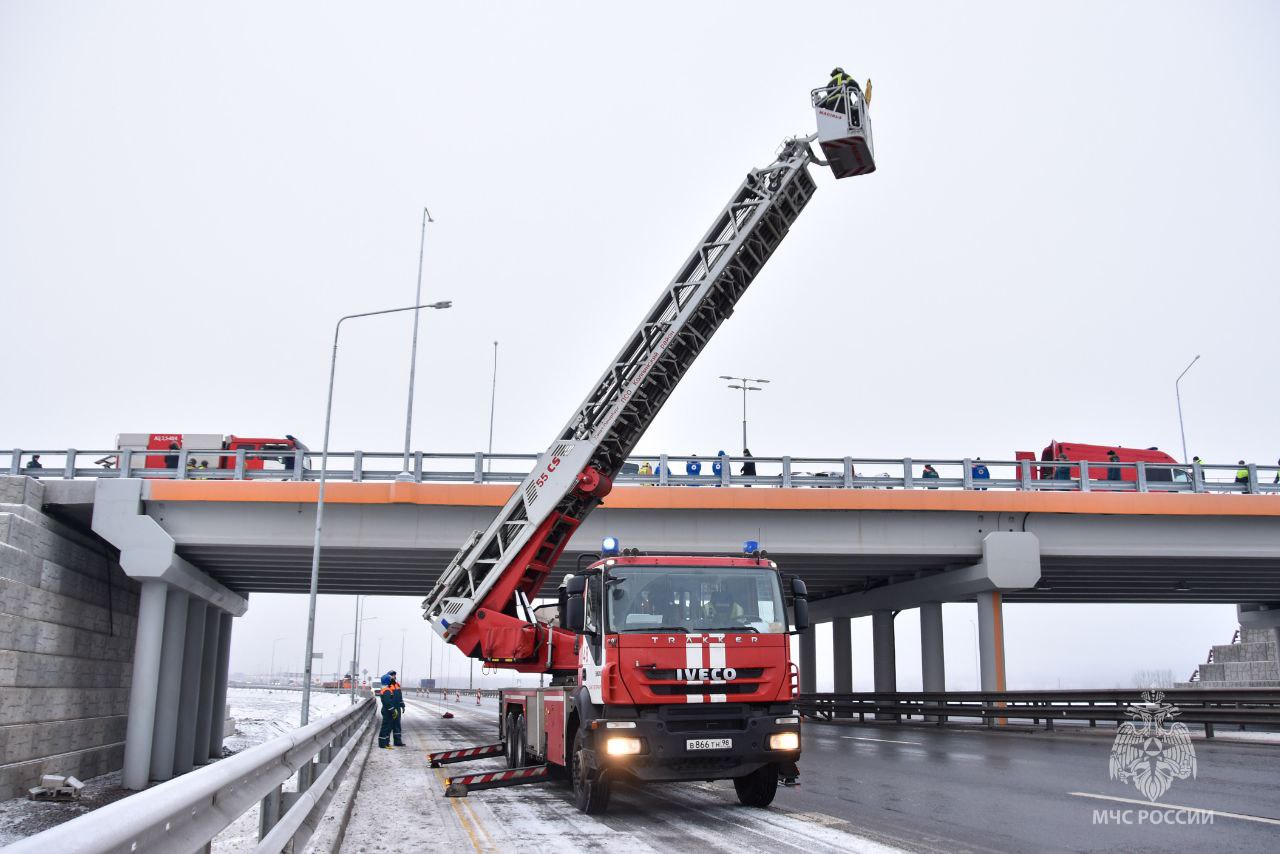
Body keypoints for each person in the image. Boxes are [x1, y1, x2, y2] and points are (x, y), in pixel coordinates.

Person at [375, 674, 400, 749]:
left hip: (388, 711)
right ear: (387, 681)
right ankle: (382, 744)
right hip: (387, 712)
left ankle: (386, 743)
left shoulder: (387, 689)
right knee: (385, 727)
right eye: (390, 679)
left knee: (388, 727)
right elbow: (388, 702)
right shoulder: (386, 690)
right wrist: (393, 710)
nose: (391, 680)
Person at [385, 670, 405, 746]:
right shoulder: (387, 685)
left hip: (397, 708)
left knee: (397, 725)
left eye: (394, 675)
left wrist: (402, 704)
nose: (393, 676)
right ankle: (386, 742)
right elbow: (386, 698)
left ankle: (397, 741)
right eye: (392, 675)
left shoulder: (397, 685)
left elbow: (400, 696)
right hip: (390, 708)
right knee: (389, 725)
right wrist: (390, 708)